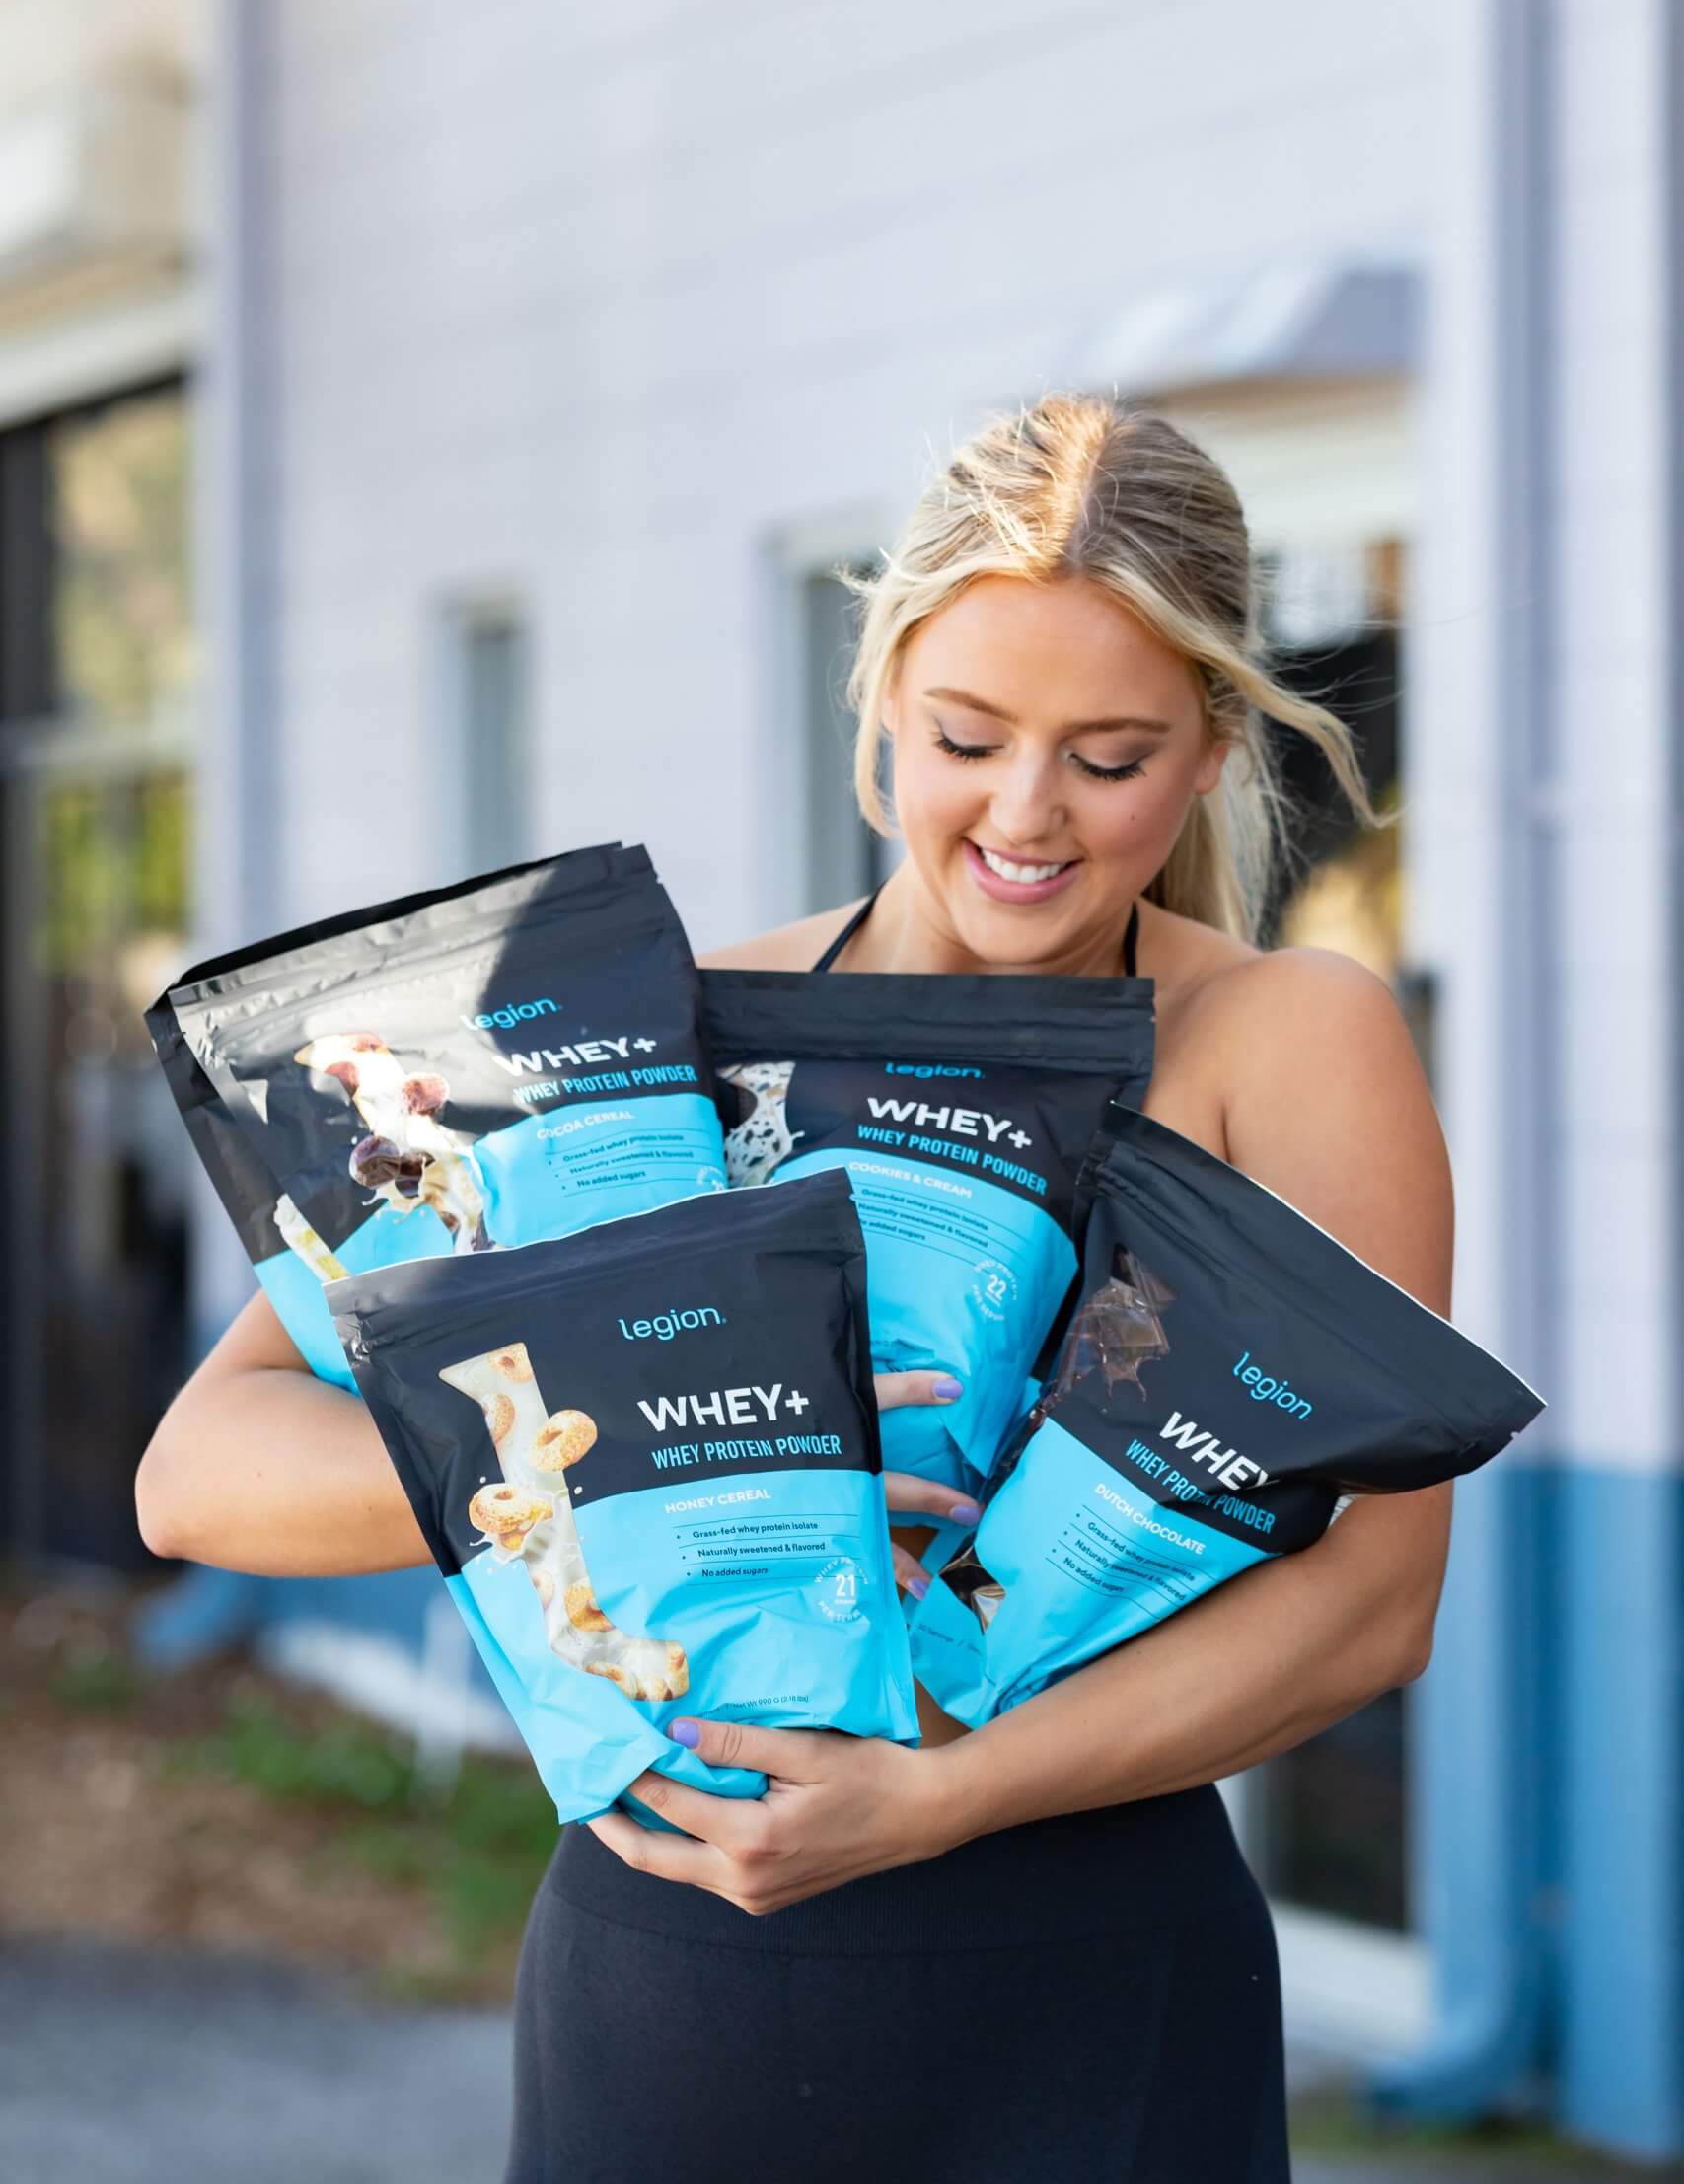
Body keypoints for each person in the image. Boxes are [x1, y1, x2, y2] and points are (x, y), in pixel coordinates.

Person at [136, 396, 1454, 2184]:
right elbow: (201, 1471)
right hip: (668, 1987)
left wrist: (944, 1797)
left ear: (1218, 741)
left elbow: (1372, 1611)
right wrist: (655, 1432)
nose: (1025, 815)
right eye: (966, 735)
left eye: (1112, 755)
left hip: (1083, 1991)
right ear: (879, 691)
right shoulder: (651, 1027)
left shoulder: (1285, 1037)